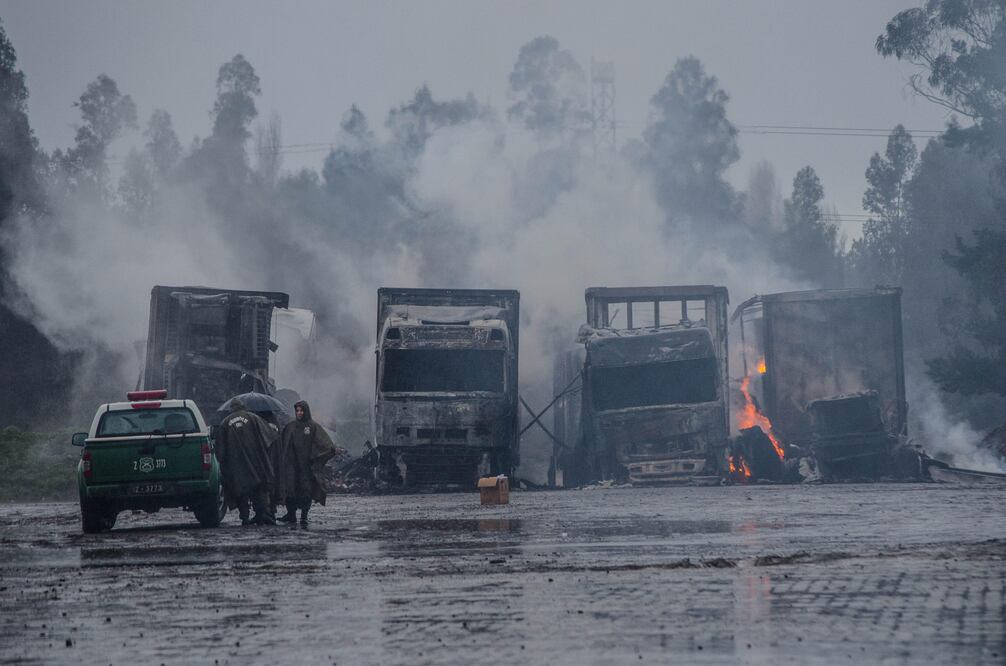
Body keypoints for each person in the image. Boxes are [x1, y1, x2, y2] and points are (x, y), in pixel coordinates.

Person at [274, 400, 337, 525]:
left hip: (306, 465)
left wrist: (316, 457)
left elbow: (324, 443)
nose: (299, 413)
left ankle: (304, 516)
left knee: (306, 491)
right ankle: (291, 515)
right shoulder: (290, 426)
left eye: (301, 410)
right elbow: (282, 443)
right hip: (291, 465)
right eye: (297, 411)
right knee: (290, 490)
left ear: (306, 411)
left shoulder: (313, 426)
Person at [216, 397, 276, 526]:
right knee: (259, 489)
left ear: (231, 408)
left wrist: (224, 464)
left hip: (236, 464)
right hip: (256, 461)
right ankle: (261, 515)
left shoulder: (225, 423)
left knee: (241, 491)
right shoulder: (254, 418)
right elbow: (269, 436)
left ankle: (244, 517)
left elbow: (220, 449)